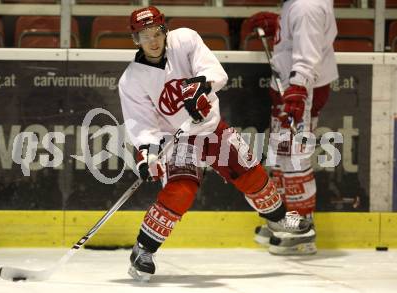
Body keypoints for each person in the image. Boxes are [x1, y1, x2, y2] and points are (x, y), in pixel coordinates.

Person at [118, 6, 314, 282]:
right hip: (178, 140)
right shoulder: (131, 80)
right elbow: (141, 124)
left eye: (156, 32)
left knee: (251, 174)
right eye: (144, 35)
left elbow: (215, 71)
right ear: (135, 39)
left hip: (211, 128)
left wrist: (202, 86)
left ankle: (279, 218)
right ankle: (143, 250)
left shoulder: (184, 40)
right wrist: (147, 154)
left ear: (165, 30)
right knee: (181, 191)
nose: (153, 40)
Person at [247, 0, 339, 255]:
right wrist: (278, 23)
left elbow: (308, 52)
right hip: (291, 87)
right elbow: (300, 38)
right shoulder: (297, 5)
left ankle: (303, 230)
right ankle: (284, 222)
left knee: (294, 159)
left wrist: (298, 90)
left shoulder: (305, 6)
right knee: (281, 157)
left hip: (300, 89)